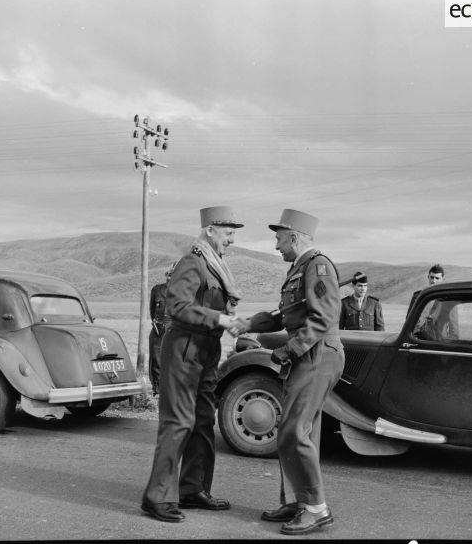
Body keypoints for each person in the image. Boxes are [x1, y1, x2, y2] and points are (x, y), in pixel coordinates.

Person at [230, 209, 344, 536]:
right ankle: (297, 501)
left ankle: (316, 509)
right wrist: (248, 324)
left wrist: (286, 351)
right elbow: (284, 315)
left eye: (279, 238)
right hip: (309, 355)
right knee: (295, 429)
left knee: (295, 431)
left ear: (294, 236)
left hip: (318, 354)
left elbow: (322, 320)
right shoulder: (300, 268)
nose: (276, 245)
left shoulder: (318, 266)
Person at [141, 206, 245, 523]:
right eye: (228, 233)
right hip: (185, 347)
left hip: (206, 349)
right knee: (178, 422)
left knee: (202, 421)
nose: (232, 239)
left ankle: (192, 489)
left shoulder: (215, 267)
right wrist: (219, 318)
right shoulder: (193, 262)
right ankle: (156, 497)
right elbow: (177, 306)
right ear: (210, 230)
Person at [148, 261, 178, 396]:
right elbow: (152, 310)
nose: (170, 277)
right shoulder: (157, 289)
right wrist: (157, 324)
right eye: (169, 274)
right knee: (156, 359)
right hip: (159, 328)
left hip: (174, 329)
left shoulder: (182, 292)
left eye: (174, 275)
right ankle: (157, 389)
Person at [409, 264, 459, 340]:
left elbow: (453, 327)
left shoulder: (449, 300)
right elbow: (409, 320)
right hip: (417, 340)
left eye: (437, 278)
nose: (434, 281)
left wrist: (453, 346)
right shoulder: (417, 296)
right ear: (428, 277)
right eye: (432, 277)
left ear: (443, 279)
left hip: (437, 342)